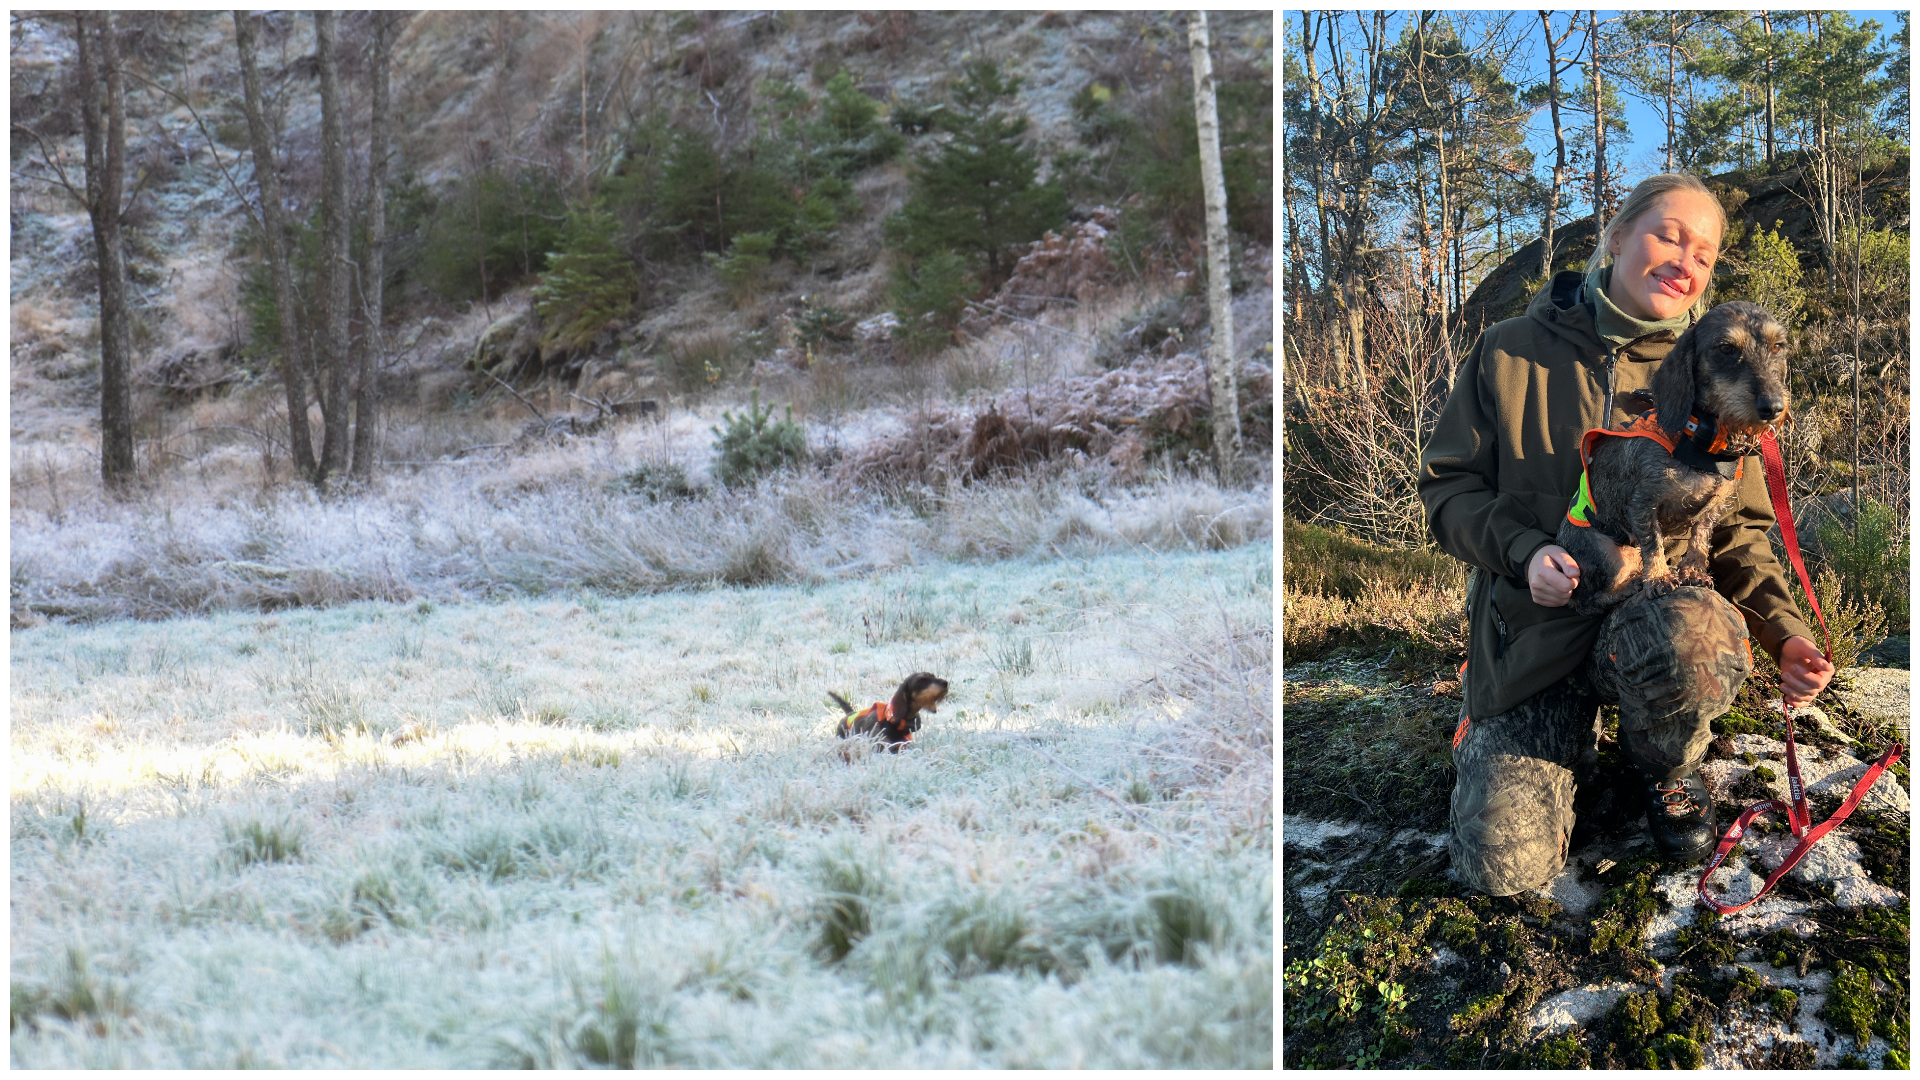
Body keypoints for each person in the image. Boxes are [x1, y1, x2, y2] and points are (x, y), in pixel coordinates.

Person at [1418, 173, 1833, 897]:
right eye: (1668, 235)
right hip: (1534, 638)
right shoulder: (1509, 352)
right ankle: (1532, 737)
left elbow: (1739, 536)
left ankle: (1668, 767)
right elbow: (1449, 489)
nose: (1684, 261)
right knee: (1500, 872)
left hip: (1652, 635)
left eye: (1703, 254)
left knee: (1694, 635)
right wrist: (1524, 552)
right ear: (1615, 237)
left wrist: (1786, 633)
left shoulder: (1719, 370)